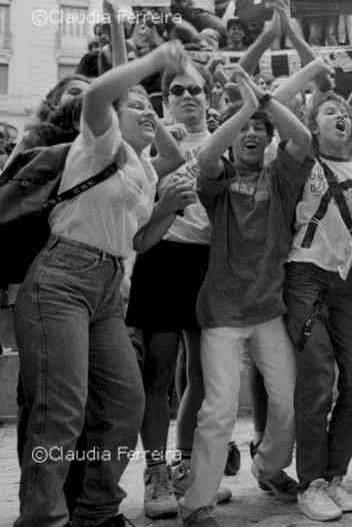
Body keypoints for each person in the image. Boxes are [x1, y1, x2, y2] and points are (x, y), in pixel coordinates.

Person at [14, 40, 189, 527]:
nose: (149, 112)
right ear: (114, 114)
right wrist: (153, 63)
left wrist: (168, 208)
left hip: (108, 290)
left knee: (125, 404)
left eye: (151, 106)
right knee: (61, 413)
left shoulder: (141, 168)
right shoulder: (99, 144)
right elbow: (95, 96)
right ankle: (43, 518)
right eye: (137, 105)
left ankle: (96, 511)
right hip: (61, 282)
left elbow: (141, 239)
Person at [179, 67, 313, 527]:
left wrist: (264, 102)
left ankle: (269, 469)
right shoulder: (219, 178)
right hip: (222, 313)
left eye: (260, 129)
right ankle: (197, 503)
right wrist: (244, 110)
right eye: (244, 129)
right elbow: (206, 155)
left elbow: (302, 140)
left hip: (268, 310)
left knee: (287, 401)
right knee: (218, 410)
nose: (251, 134)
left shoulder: (280, 178)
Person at [125, 60, 233, 519]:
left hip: (210, 263)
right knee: (159, 371)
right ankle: (155, 473)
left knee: (205, 375)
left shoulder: (223, 140)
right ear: (164, 100)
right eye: (178, 90)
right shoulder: (151, 141)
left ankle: (187, 465)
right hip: (162, 257)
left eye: (196, 89)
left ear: (209, 96)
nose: (188, 96)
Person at [285, 91, 352, 522]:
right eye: (330, 111)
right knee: (317, 381)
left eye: (346, 113)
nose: (341, 115)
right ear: (311, 124)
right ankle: (310, 483)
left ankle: (334, 477)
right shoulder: (302, 160)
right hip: (304, 277)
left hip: (347, 283)